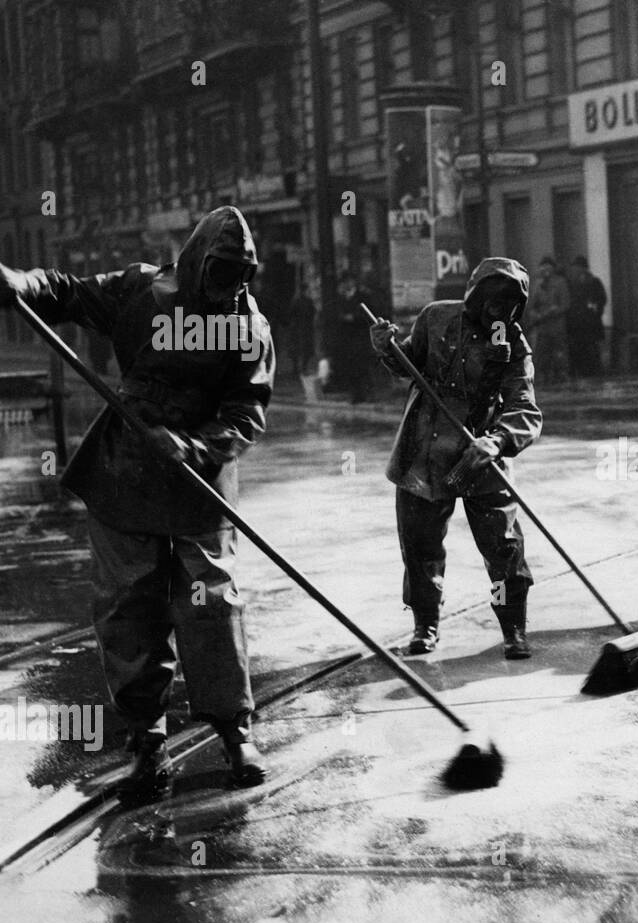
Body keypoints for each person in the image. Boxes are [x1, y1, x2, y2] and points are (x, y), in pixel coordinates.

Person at [0, 205, 275, 804]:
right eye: (223, 271)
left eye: (242, 275)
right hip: (125, 476)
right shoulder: (139, 291)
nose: (233, 287)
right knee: (129, 607)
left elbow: (247, 412)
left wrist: (197, 446)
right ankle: (147, 742)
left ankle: (235, 733)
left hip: (198, 482)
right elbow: (68, 294)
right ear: (199, 261)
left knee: (211, 604)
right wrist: (20, 284)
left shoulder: (247, 327)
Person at [368, 258, 541, 659]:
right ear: (475, 297)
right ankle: (425, 624)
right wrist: (386, 348)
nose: (502, 313)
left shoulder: (513, 343)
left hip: (480, 454)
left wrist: (496, 442)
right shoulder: (436, 318)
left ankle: (514, 627)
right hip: (423, 451)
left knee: (504, 545)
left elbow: (526, 410)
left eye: (512, 305)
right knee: (420, 545)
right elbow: (408, 363)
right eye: (495, 303)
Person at [329, 272, 377, 403]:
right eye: (345, 282)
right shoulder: (341, 299)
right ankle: (356, 395)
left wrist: (354, 318)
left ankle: (366, 394)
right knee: (351, 368)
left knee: (363, 367)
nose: (347, 284)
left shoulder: (363, 296)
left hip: (361, 338)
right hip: (347, 340)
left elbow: (370, 316)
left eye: (349, 281)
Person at [525, 256, 570, 384]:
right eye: (543, 267)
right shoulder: (538, 285)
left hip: (557, 325)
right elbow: (532, 304)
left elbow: (565, 304)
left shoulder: (560, 283)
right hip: (543, 326)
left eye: (548, 267)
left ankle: (560, 374)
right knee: (542, 352)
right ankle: (543, 375)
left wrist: (553, 311)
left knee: (559, 352)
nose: (546, 270)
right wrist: (536, 315)